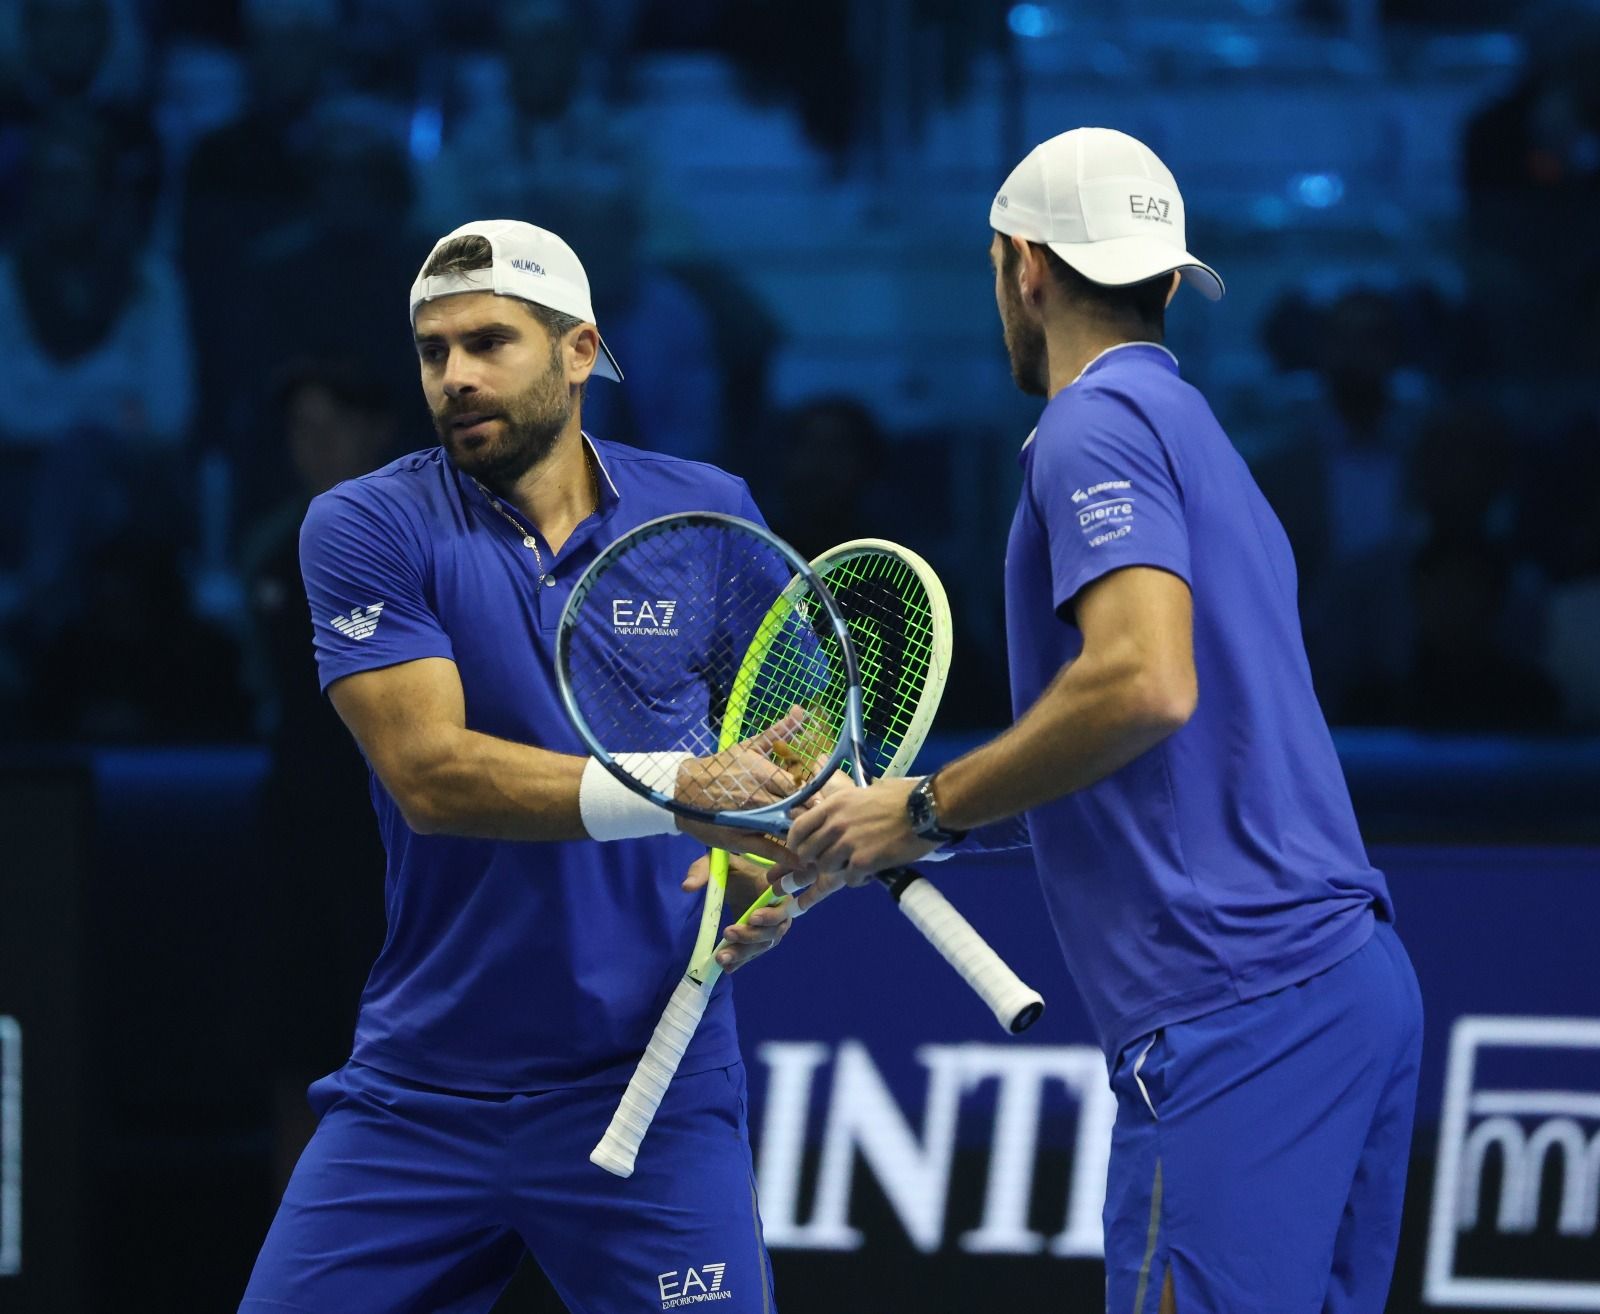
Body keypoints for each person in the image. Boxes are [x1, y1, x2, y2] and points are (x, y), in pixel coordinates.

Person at [787, 128, 1424, 1314]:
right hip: (1348, 983)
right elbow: (1152, 755)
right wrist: (897, 828)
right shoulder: (1196, 433)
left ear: (1023, 265)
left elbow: (1141, 686)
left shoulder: (1092, 427)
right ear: (1169, 280)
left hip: (1235, 1011)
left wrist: (923, 805)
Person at [238, 219, 803, 1314]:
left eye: (489, 343)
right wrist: (683, 790)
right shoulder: (363, 525)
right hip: (419, 1094)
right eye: (433, 351)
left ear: (579, 350)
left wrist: (773, 857)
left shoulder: (711, 512)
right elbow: (430, 776)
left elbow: (795, 746)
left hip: (652, 1082)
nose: (454, 376)